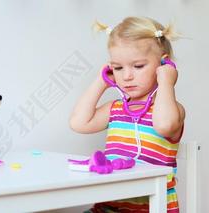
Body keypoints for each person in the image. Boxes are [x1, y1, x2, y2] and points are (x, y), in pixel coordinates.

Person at [69, 16, 185, 213]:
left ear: (164, 65)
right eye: (118, 67)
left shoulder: (173, 110)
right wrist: (101, 82)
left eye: (138, 66)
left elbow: (164, 125)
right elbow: (79, 123)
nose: (126, 76)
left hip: (151, 207)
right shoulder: (115, 108)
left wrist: (166, 82)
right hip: (109, 206)